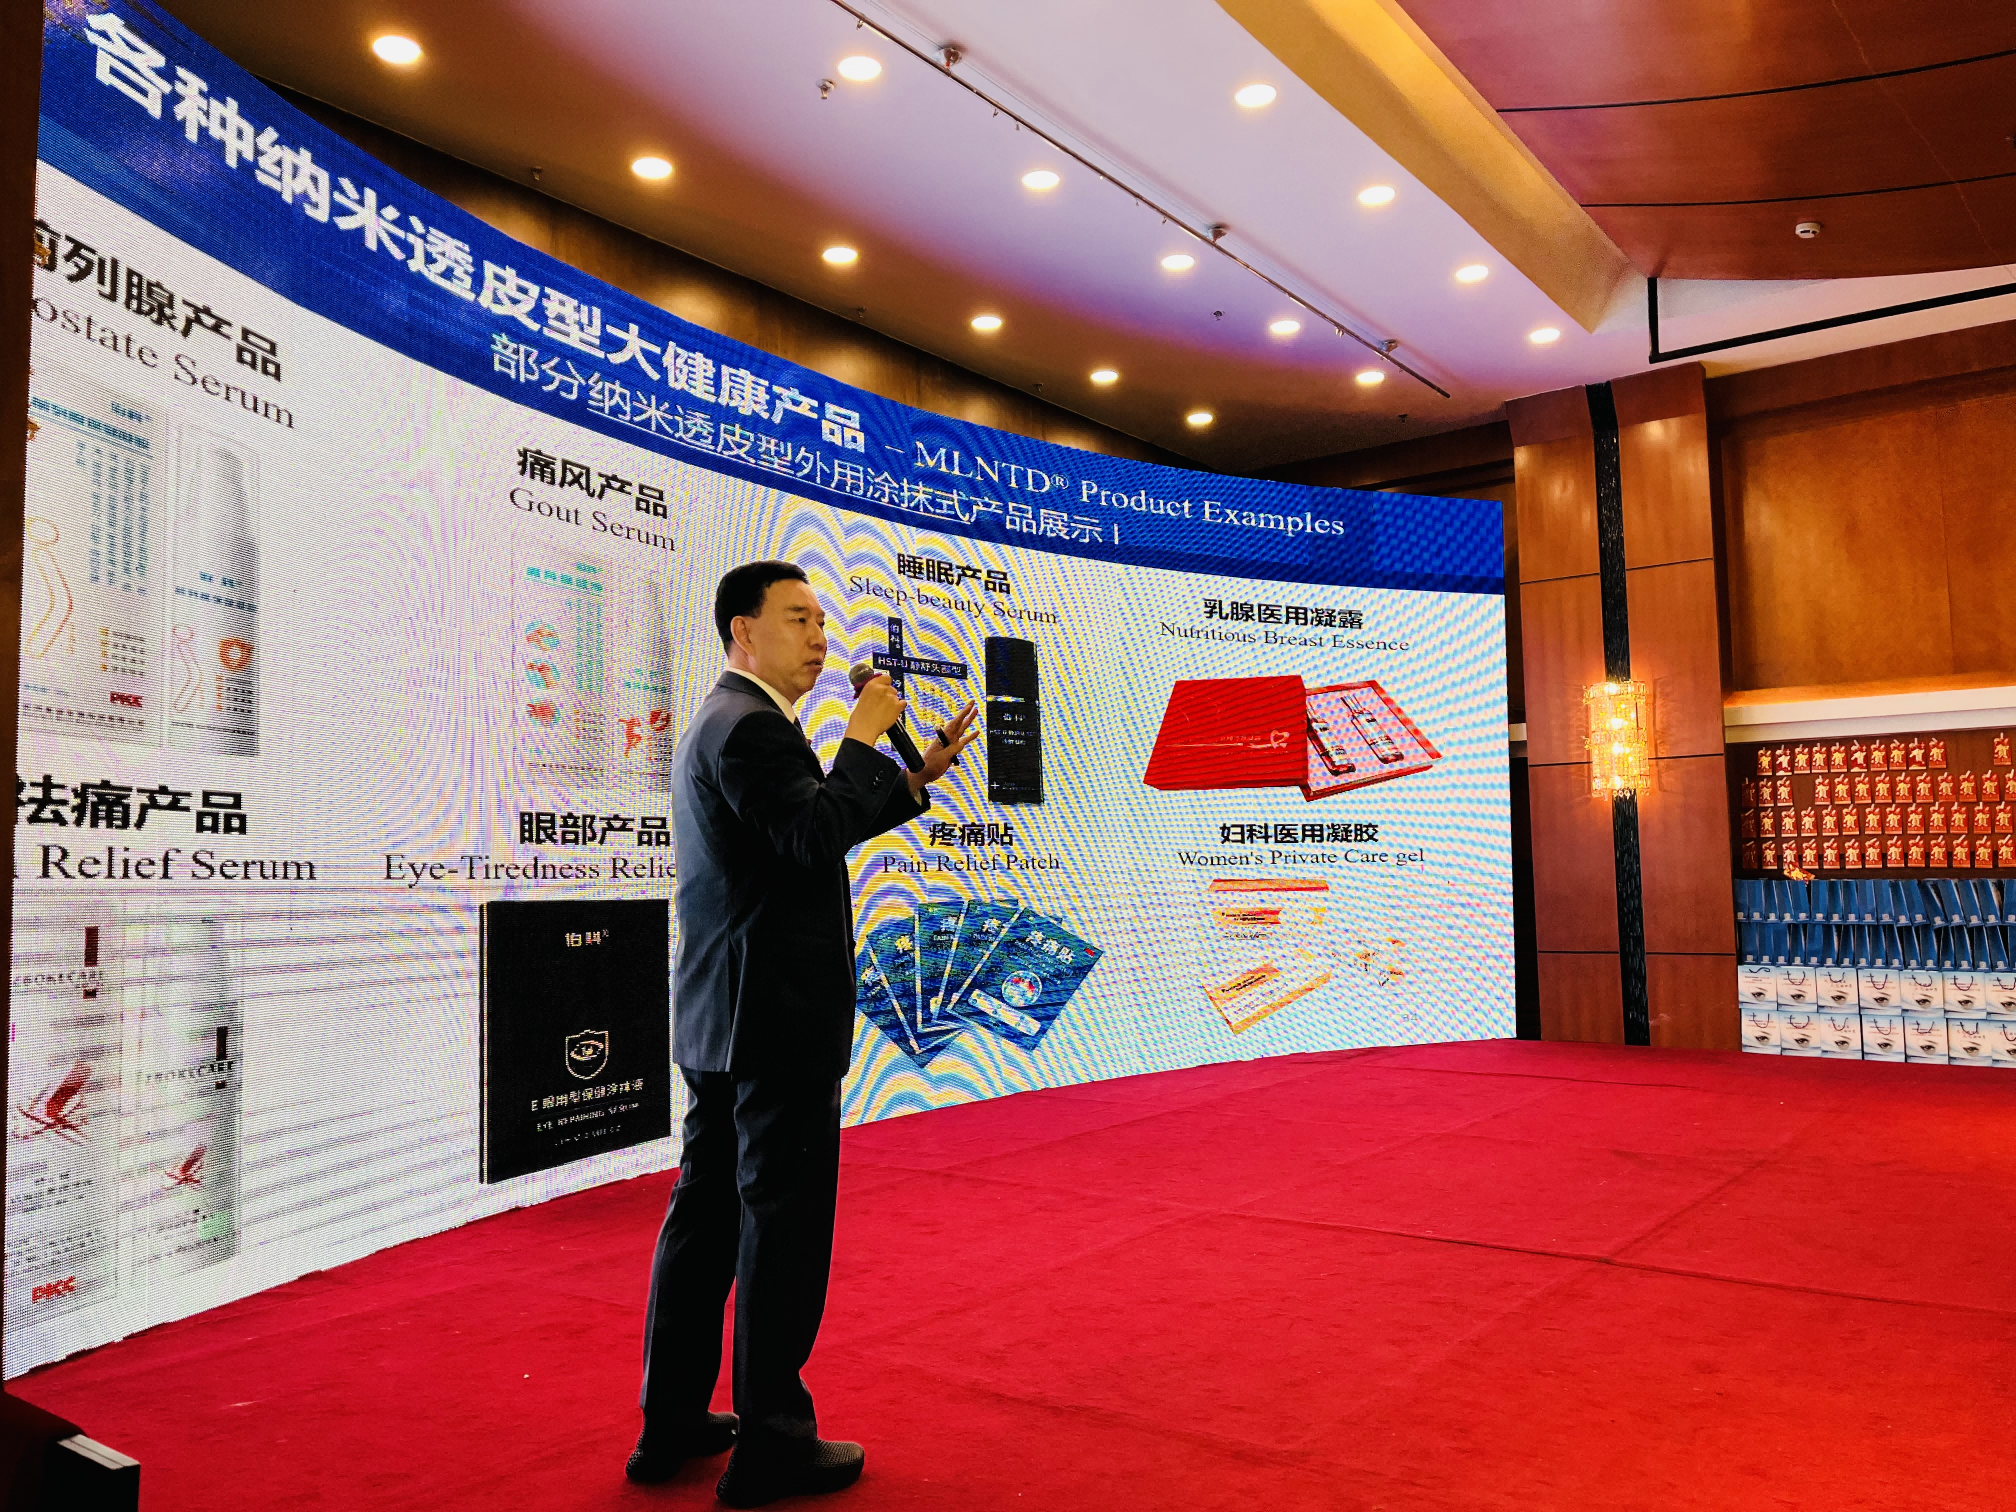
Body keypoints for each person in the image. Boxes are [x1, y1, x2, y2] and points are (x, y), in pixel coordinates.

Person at [630, 560, 977, 1507]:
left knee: (706, 1219)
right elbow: (813, 838)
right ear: (742, 631)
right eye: (797, 619)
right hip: (773, 1021)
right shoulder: (751, 727)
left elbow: (800, 829)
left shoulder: (728, 720)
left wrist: (911, 777)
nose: (820, 638)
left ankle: (671, 1421)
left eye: (822, 620)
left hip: (726, 1018)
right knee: (778, 1229)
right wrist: (861, 739)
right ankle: (774, 1445)